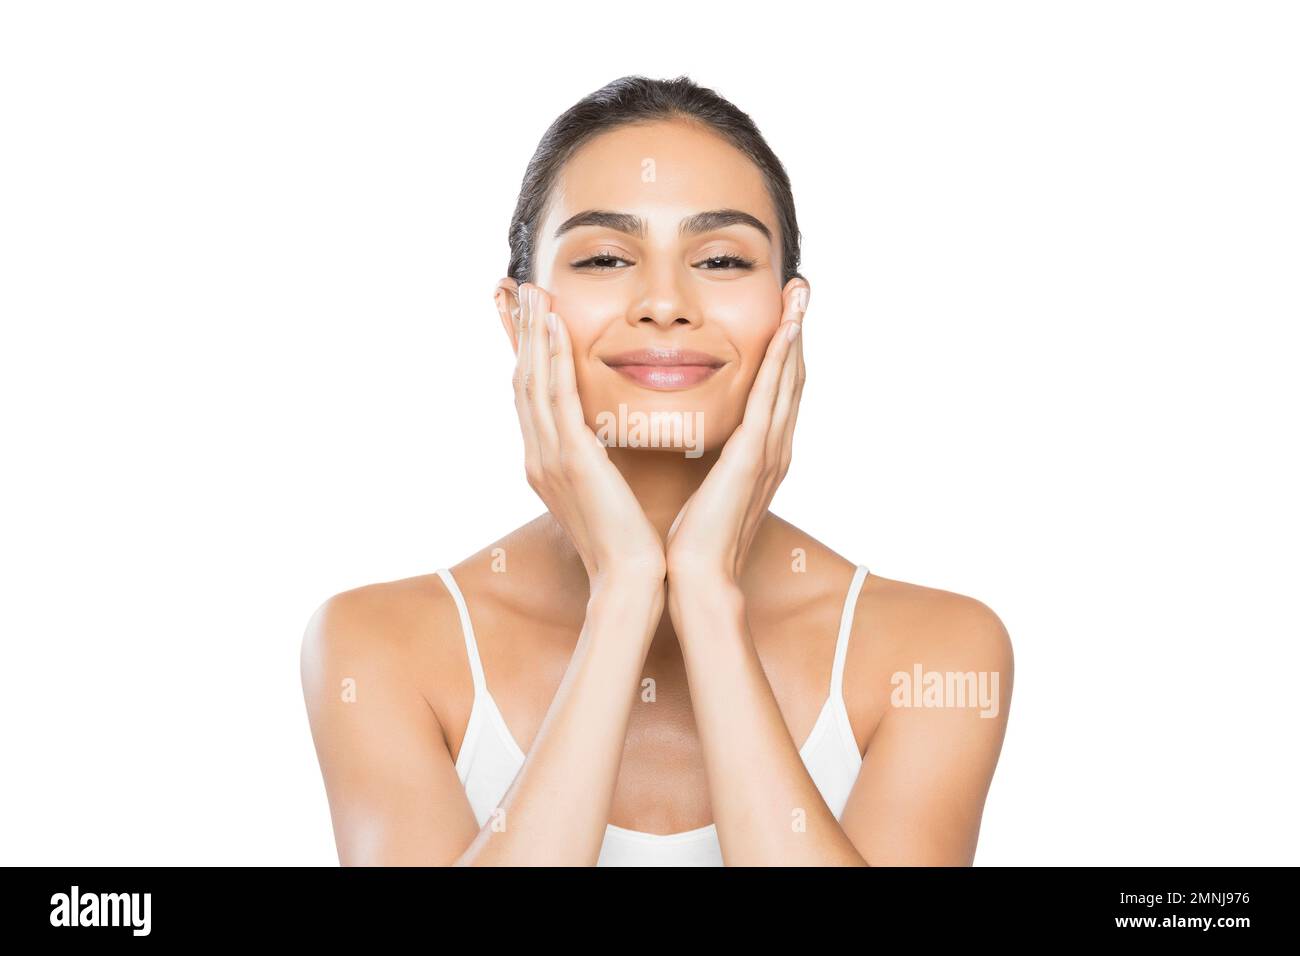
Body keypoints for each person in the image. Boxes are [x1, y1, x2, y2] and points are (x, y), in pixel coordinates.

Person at [300, 75, 1014, 866]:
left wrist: (707, 594)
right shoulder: (376, 646)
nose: (665, 302)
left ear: (790, 311)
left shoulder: (940, 652)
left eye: (720, 259)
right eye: (606, 257)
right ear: (517, 317)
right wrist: (626, 588)